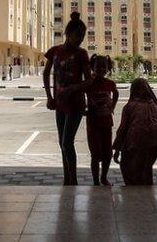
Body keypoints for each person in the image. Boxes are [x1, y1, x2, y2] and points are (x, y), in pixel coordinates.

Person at [43, 11, 91, 185]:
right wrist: (49, 96)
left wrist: (73, 88)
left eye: (82, 36)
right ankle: (67, 179)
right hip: (59, 104)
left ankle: (74, 180)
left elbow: (89, 81)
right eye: (77, 36)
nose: (80, 39)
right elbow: (46, 73)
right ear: (68, 34)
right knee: (61, 143)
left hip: (76, 104)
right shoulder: (54, 52)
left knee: (67, 141)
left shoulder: (82, 54)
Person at [112, 78, 157, 185]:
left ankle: (134, 192)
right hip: (153, 143)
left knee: (128, 167)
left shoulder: (129, 107)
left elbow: (123, 129)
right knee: (146, 169)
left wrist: (117, 149)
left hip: (134, 143)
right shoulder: (155, 106)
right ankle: (146, 190)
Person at [83, 55, 118, 186]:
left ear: (108, 68)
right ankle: (96, 181)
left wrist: (113, 107)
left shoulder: (110, 83)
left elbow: (116, 93)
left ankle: (104, 177)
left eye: (104, 66)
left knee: (108, 153)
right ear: (92, 67)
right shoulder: (89, 83)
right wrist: (83, 110)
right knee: (95, 153)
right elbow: (80, 94)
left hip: (107, 122)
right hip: (93, 123)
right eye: (98, 66)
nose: (101, 69)